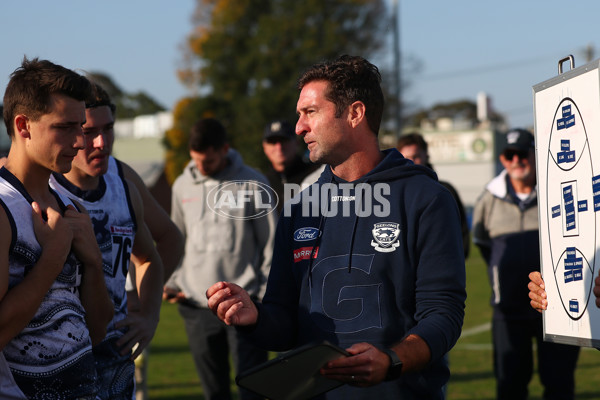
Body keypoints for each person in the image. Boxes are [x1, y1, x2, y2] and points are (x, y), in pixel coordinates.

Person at [207, 55, 466, 399]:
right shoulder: (300, 207)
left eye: (310, 112)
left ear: (355, 113)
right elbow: (285, 323)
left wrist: (392, 359)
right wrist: (254, 318)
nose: (299, 127)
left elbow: (443, 313)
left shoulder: (426, 198)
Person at [0, 57, 113, 398]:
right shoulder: (2, 208)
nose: (80, 141)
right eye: (65, 127)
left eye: (81, 126)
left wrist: (92, 263)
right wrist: (54, 256)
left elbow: (95, 331)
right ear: (24, 126)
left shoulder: (71, 210)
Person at [48, 81, 165, 399]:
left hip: (115, 355)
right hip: (56, 359)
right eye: (88, 131)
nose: (101, 142)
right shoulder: (39, 188)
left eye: (109, 129)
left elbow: (152, 255)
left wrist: (149, 315)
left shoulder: (123, 185)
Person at [164, 118, 277, 400]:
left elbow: (272, 244)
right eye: (197, 161)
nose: (202, 168)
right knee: (213, 392)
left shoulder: (253, 183)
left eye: (210, 161)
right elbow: (176, 239)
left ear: (225, 149)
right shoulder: (181, 185)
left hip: (245, 303)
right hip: (197, 305)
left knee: (254, 388)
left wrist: (262, 294)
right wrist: (173, 281)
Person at [472, 128, 580, 400]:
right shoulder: (488, 198)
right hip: (507, 312)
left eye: (522, 153)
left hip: (556, 310)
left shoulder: (557, 193)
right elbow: (483, 243)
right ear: (502, 159)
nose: (517, 160)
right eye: (510, 155)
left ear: (535, 154)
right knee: (510, 386)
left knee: (559, 385)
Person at [397, 132, 470, 258]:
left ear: (426, 155)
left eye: (416, 156)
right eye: (406, 158)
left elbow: (461, 229)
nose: (411, 162)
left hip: (440, 263)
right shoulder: (393, 193)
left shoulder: (445, 190)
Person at [262, 119, 317, 212]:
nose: (279, 147)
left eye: (284, 140)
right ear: (264, 147)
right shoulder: (261, 183)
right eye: (273, 142)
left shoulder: (317, 175)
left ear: (297, 143)